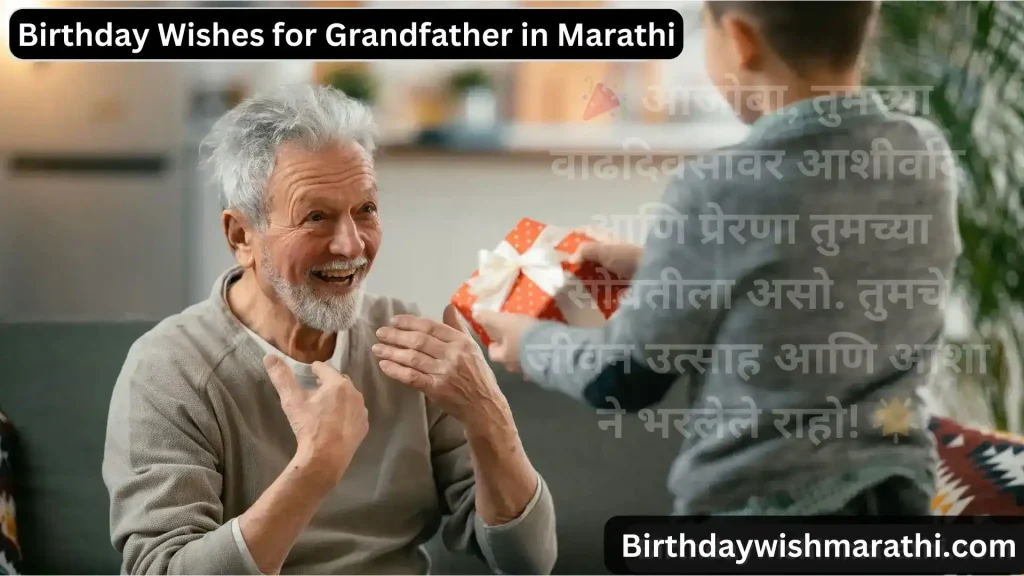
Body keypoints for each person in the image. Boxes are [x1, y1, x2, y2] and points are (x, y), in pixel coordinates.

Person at [476, 1, 959, 516]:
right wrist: (658, 264)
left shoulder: (718, 188)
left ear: (740, 39)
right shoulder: (925, 156)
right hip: (897, 507)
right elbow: (822, 274)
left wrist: (529, 343)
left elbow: (625, 376)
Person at [101, 84, 557, 574]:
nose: (349, 244)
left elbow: (527, 562)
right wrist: (315, 468)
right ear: (241, 236)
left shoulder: (410, 346)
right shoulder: (171, 370)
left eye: (366, 210)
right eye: (315, 217)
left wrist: (489, 412)